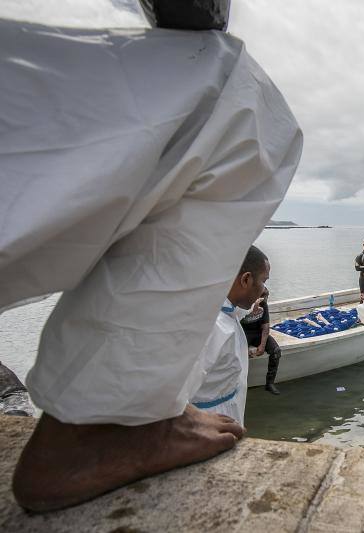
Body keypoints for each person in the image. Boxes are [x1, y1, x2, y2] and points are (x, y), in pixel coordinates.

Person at [3, 20, 302, 511]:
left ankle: (111, 416)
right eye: (260, 282)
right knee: (247, 108)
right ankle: (100, 427)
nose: (264, 292)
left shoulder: (232, 320)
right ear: (244, 278)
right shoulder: (217, 329)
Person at [191, 246, 269, 423]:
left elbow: (231, 314)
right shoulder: (212, 330)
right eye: (264, 281)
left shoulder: (222, 309)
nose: (264, 290)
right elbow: (175, 397)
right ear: (246, 279)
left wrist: (249, 311)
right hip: (209, 428)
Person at [240, 288, 283, 395]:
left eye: (266, 298)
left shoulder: (264, 305)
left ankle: (269, 383)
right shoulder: (243, 305)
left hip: (258, 333)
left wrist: (262, 345)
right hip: (243, 332)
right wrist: (244, 348)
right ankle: (239, 384)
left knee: (276, 351)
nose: (265, 300)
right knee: (239, 353)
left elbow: (265, 327)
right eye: (263, 298)